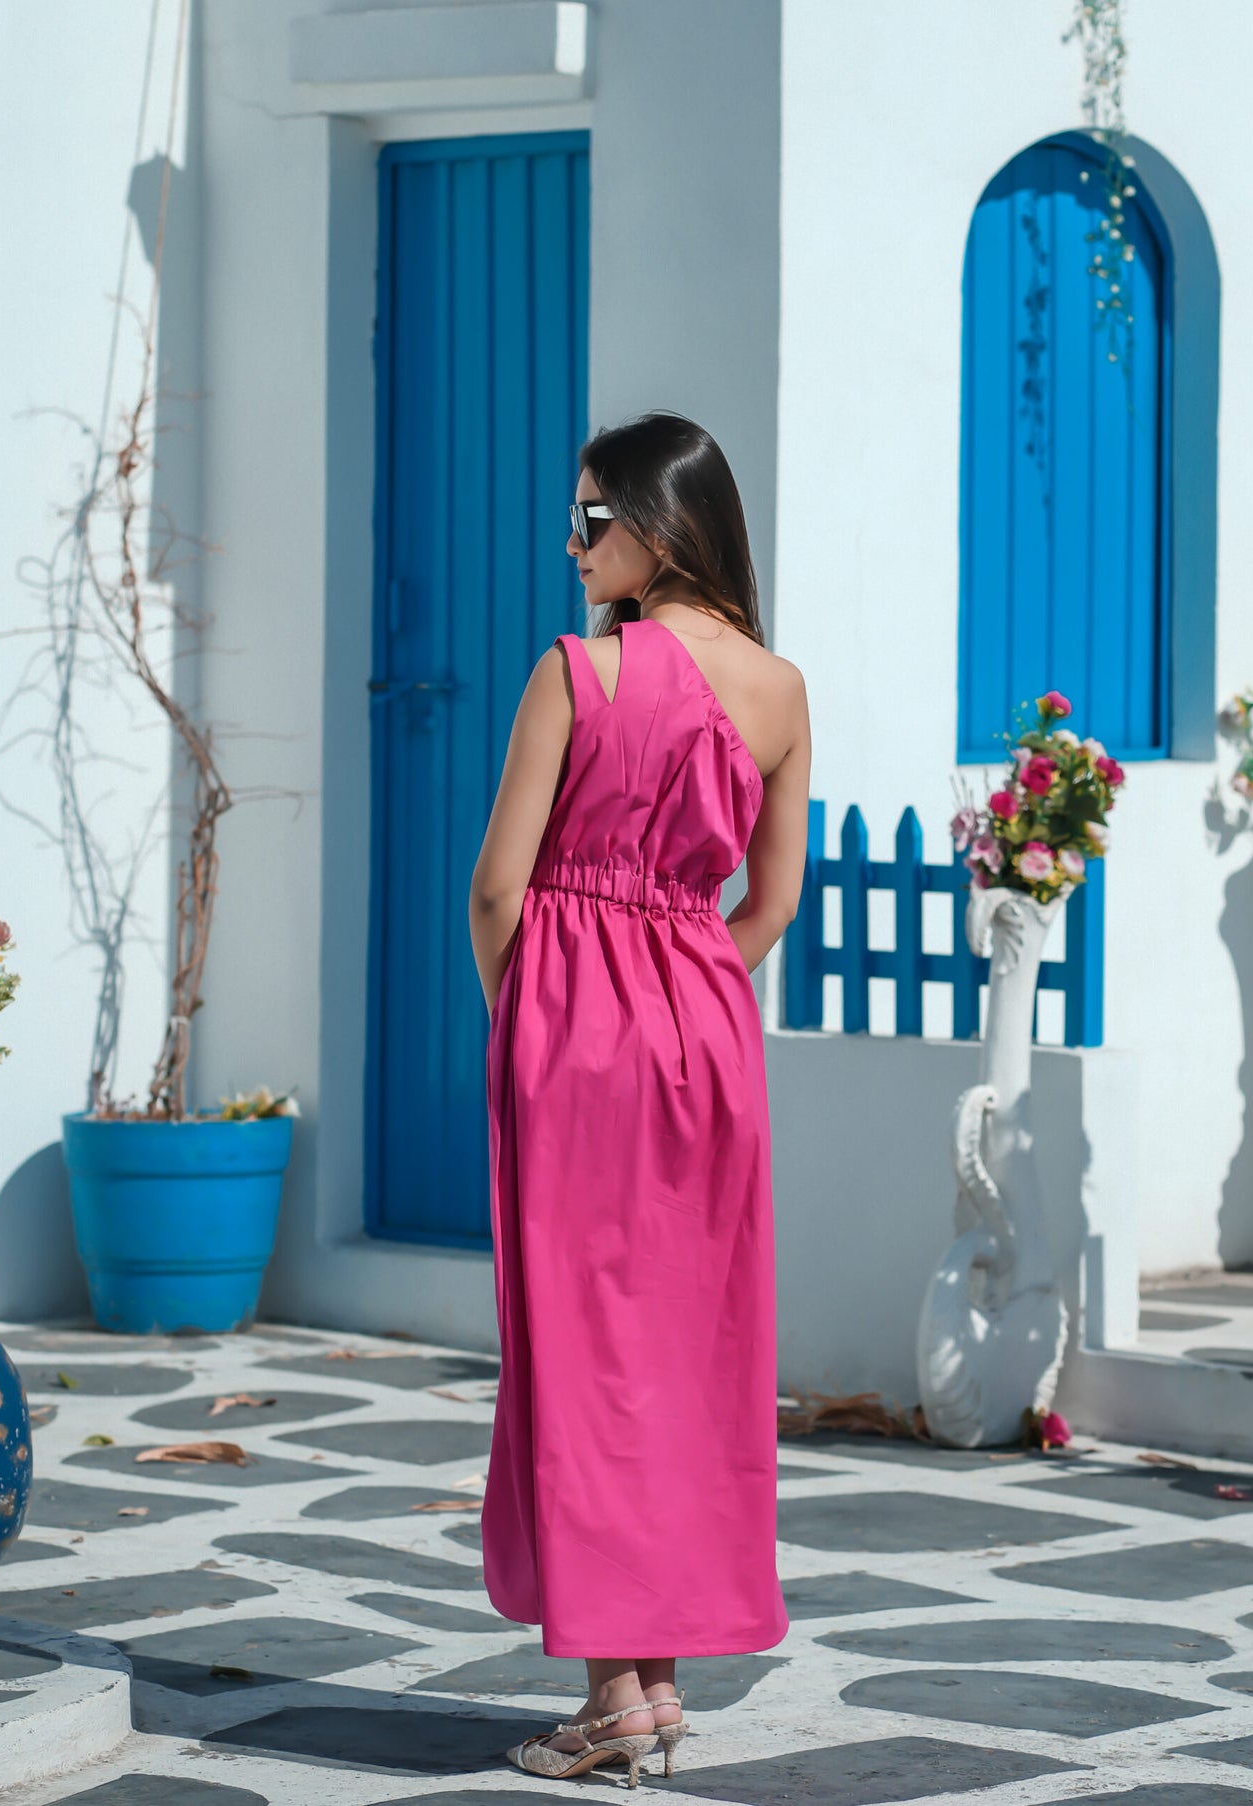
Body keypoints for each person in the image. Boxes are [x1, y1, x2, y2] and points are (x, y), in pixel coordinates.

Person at [467, 409, 812, 1788]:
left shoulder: (578, 672)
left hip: (573, 1041)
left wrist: (539, 1022)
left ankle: (615, 1695)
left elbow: (498, 887)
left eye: (592, 518)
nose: (572, 544)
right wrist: (683, 1001)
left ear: (662, 531)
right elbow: (771, 900)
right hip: (705, 1043)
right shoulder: (781, 688)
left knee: (581, 1355)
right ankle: (653, 1685)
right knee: (681, 1357)